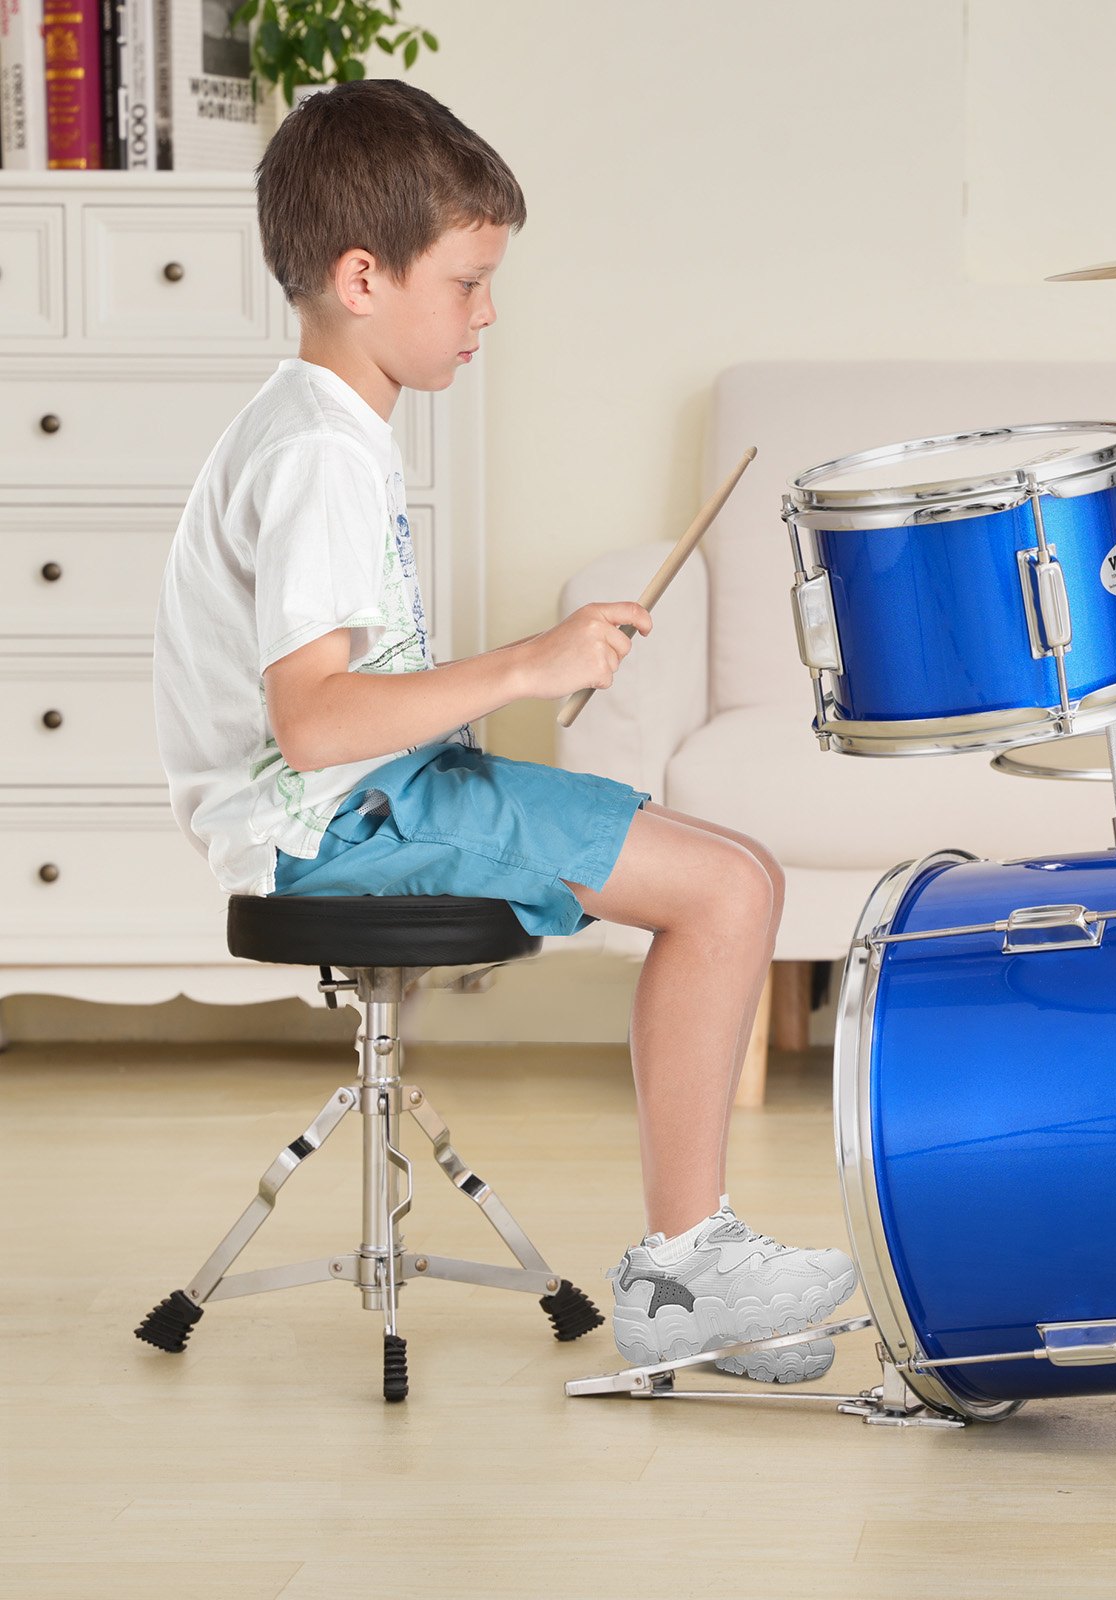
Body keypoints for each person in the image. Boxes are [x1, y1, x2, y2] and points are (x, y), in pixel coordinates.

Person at [151, 79, 854, 1384]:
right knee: (725, 890)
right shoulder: (319, 456)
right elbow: (311, 725)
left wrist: (525, 675)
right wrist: (529, 662)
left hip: (373, 795)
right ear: (364, 277)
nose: (488, 312)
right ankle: (685, 1275)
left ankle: (689, 1266)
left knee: (738, 877)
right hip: (333, 826)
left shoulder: (326, 427)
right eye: (467, 281)